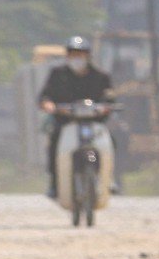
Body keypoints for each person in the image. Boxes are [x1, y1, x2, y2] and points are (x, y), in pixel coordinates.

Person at [38, 36, 114, 199]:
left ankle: (109, 178)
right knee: (54, 144)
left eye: (80, 54)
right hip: (65, 123)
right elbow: (45, 96)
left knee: (110, 141)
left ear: (88, 56)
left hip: (94, 123)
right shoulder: (58, 75)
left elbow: (109, 98)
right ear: (67, 56)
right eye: (73, 54)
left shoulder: (100, 77)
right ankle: (54, 184)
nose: (77, 58)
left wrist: (106, 107)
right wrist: (48, 104)